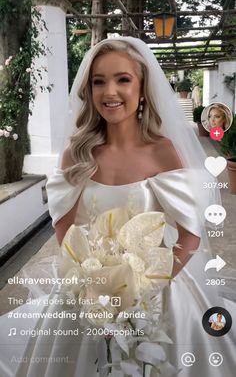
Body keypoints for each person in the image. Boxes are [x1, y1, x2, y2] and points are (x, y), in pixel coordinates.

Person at [0, 37, 235, 377]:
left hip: (157, 294)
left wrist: (144, 290)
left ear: (143, 88)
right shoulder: (77, 153)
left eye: (123, 79)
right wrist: (90, 280)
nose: (109, 92)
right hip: (88, 292)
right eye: (99, 81)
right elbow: (64, 228)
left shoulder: (163, 152)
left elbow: (190, 236)